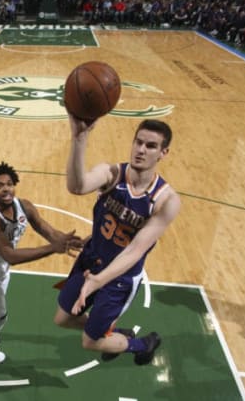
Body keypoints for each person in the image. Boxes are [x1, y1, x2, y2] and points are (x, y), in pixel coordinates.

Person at [53, 116, 181, 366]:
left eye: (151, 146)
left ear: (163, 153)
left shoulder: (166, 201)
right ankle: (114, 333)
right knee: (63, 319)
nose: (141, 150)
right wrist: (79, 138)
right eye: (138, 142)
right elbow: (77, 186)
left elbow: (135, 250)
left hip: (119, 278)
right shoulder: (112, 173)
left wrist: (98, 281)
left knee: (90, 342)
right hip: (91, 260)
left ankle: (143, 345)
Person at [0, 161, 83, 364]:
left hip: (0, 270)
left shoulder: (24, 206)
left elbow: (49, 232)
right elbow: (10, 255)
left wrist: (71, 241)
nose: (6, 189)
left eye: (9, 183)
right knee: (0, 315)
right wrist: (52, 249)